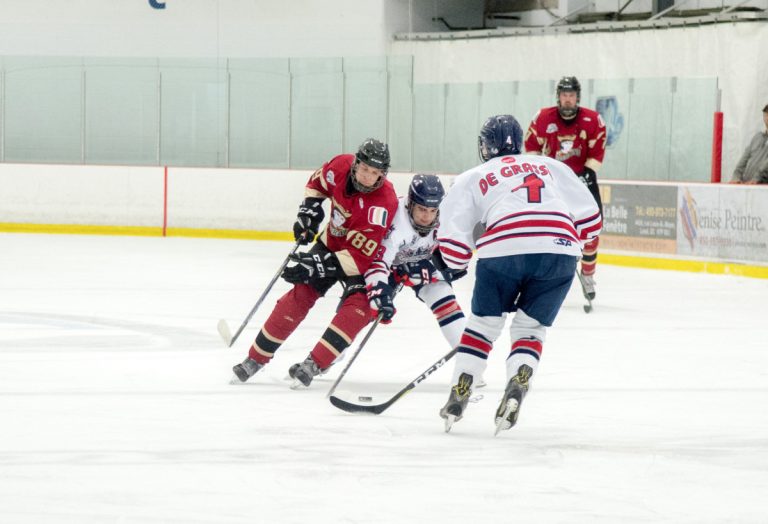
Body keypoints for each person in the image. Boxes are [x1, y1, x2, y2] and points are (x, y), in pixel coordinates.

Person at [436, 114, 602, 434]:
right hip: (560, 251)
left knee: (483, 325)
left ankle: (462, 385)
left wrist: (457, 262)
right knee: (530, 328)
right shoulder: (550, 165)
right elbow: (591, 221)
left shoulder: (472, 176)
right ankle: (519, 377)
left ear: (485, 146)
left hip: (503, 250)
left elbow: (453, 243)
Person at [231, 138, 399, 388]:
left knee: (358, 309)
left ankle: (315, 363)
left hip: (363, 263)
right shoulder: (340, 166)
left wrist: (316, 264)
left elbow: (359, 259)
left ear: (382, 175)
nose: (367, 177)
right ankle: (255, 358)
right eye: (364, 168)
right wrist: (309, 210)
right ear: (355, 164)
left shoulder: (384, 203)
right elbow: (317, 183)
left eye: (374, 173)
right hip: (331, 243)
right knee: (301, 292)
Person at [364, 174, 469, 369]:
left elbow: (457, 261)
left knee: (445, 298)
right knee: (364, 309)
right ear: (410, 204)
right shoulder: (396, 218)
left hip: (422, 266)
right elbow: (378, 262)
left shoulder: (447, 217)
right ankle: (329, 358)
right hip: (390, 268)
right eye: (422, 209)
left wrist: (441, 270)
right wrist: (378, 290)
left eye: (432, 210)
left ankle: (470, 364)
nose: (427, 217)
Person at [524, 76, 606, 300]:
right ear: (558, 96)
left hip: (583, 180)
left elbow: (597, 149)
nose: (568, 99)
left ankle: (588, 275)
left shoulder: (592, 120)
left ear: (577, 97)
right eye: (564, 95)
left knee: (592, 229)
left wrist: (588, 171)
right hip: (553, 182)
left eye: (571, 95)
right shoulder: (543, 118)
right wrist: (538, 169)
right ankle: (543, 275)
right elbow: (531, 146)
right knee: (544, 227)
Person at [730, 104, 768, 184]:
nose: (767, 118)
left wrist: (757, 179)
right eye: (766, 114)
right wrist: (736, 177)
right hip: (747, 184)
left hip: (763, 186)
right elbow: (743, 160)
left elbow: (766, 167)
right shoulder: (757, 137)